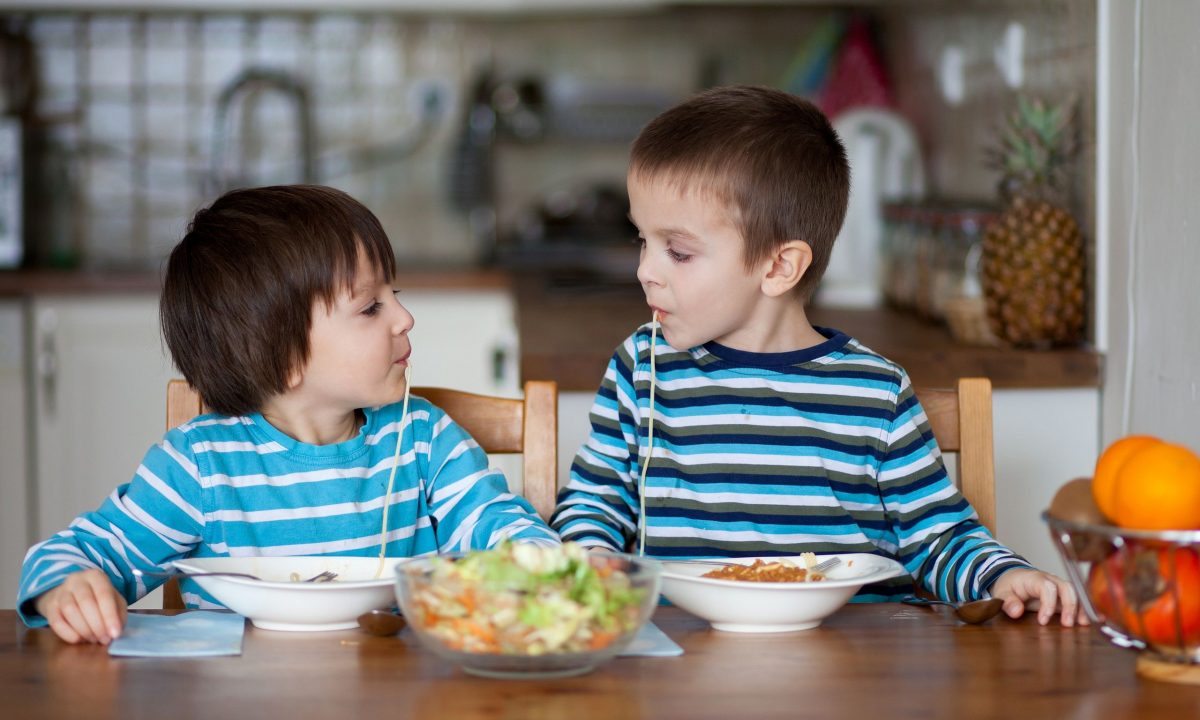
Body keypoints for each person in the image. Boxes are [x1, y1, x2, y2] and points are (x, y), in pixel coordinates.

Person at [550, 86, 1083, 626]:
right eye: (643, 239)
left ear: (779, 268)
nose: (646, 270)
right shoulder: (642, 368)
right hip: (682, 662)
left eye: (678, 252)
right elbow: (594, 503)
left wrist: (1001, 576)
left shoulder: (875, 394)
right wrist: (588, 558)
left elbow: (939, 537)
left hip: (854, 667)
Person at [18, 185, 558, 644]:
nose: (405, 317)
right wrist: (65, 586)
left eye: (395, 294)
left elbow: (499, 526)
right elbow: (82, 552)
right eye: (371, 307)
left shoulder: (423, 439)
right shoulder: (201, 465)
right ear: (284, 356)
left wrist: (534, 564)